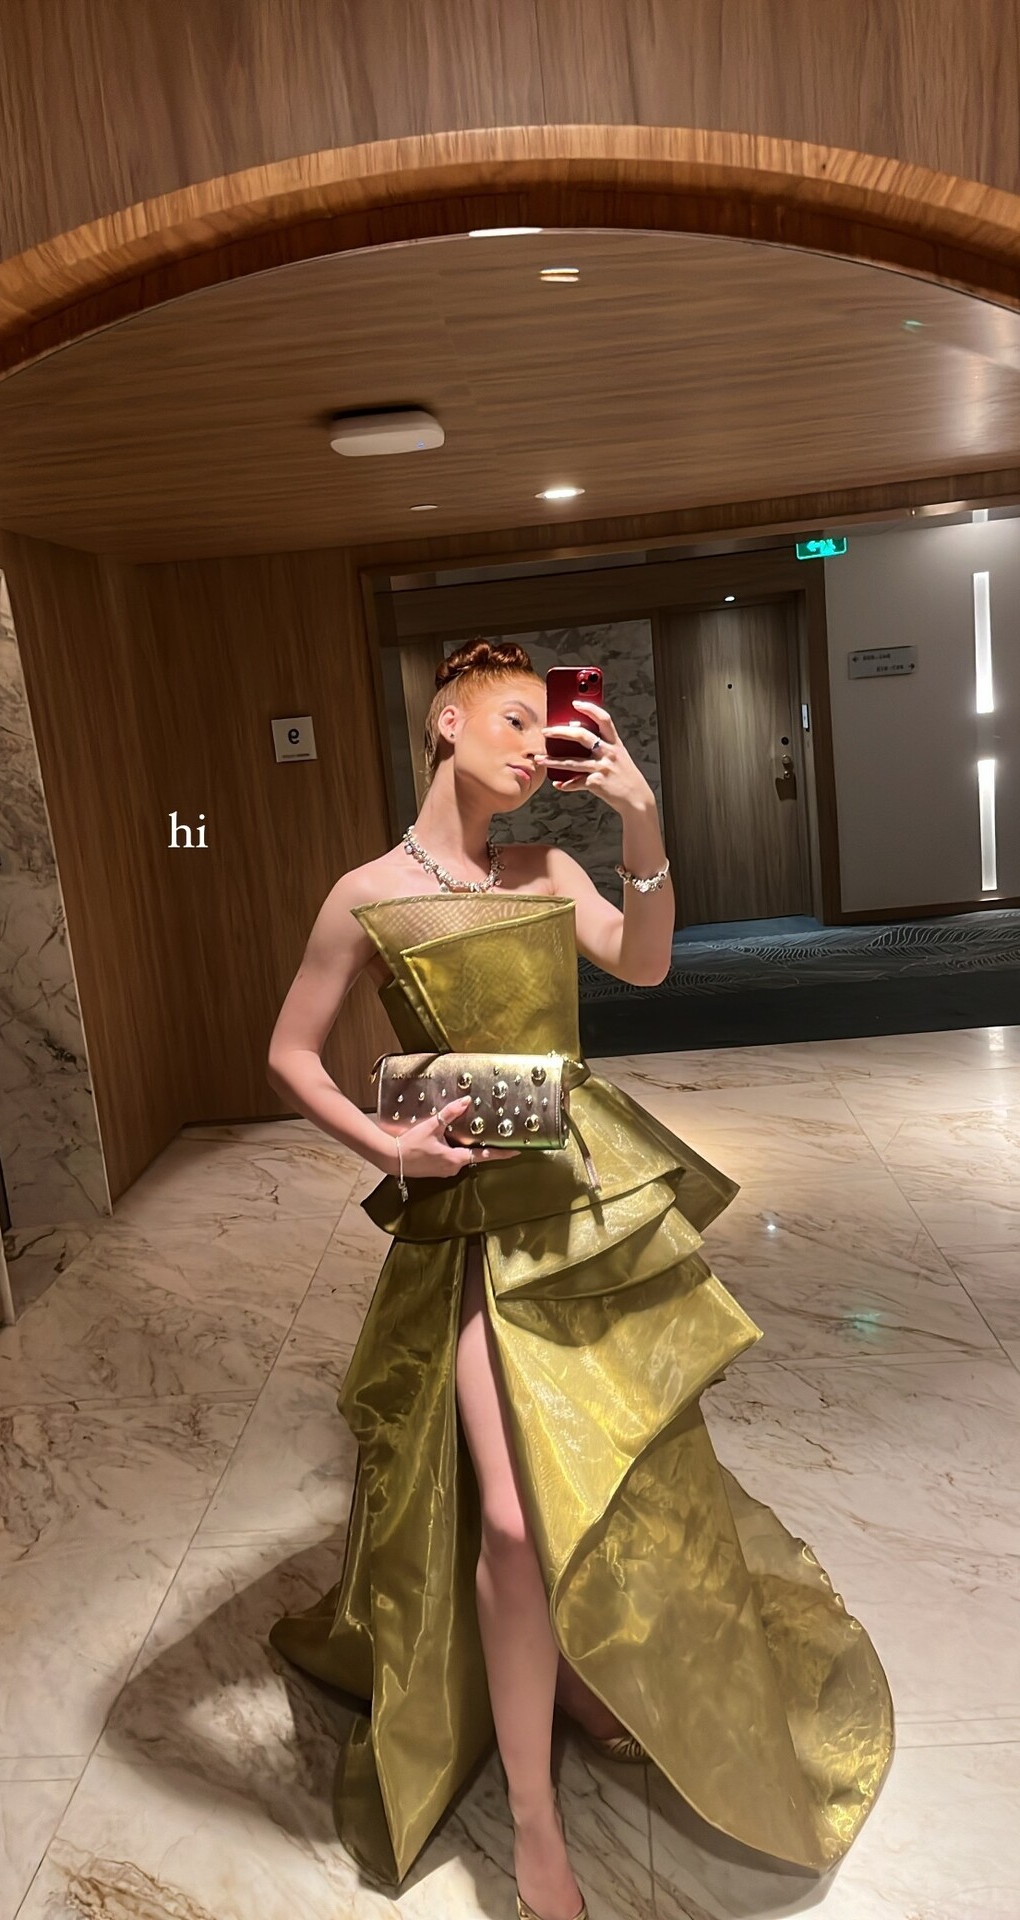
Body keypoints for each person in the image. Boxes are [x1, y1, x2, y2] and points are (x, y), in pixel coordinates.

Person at [265, 638, 894, 1920]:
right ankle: (533, 1815)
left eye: (545, 723)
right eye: (510, 719)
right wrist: (384, 1144)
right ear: (444, 724)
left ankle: (585, 1669)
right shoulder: (365, 894)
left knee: (620, 1467)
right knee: (509, 1519)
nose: (533, 744)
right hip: (470, 1226)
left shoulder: (546, 871)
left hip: (583, 1208)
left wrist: (640, 822)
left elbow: (645, 962)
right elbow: (289, 1053)